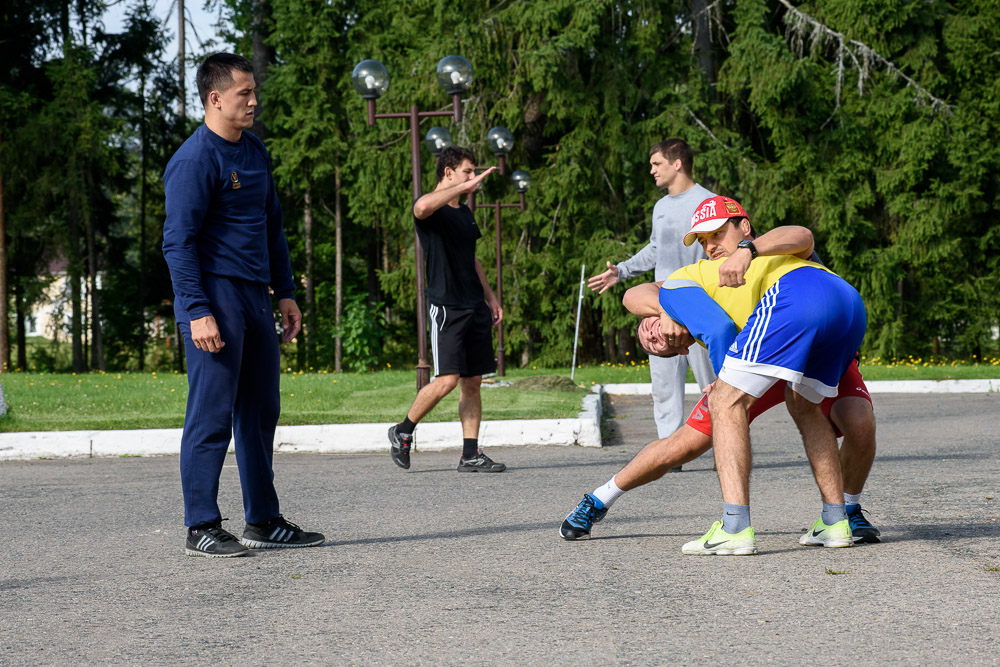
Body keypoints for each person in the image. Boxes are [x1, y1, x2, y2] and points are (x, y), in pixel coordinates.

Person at [605, 197, 868, 554]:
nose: (710, 246)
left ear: (744, 227)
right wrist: (668, 311)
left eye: (717, 234)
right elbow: (636, 295)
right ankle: (836, 522)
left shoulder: (758, 251)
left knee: (725, 401)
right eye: (702, 241)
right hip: (847, 305)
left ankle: (734, 528)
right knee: (804, 407)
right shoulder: (700, 277)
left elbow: (802, 233)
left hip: (797, 297)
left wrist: (747, 250)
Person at [163, 53, 324, 558]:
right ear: (215, 99)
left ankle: (263, 520)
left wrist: (287, 290)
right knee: (211, 414)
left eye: (255, 92)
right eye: (244, 94)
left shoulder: (254, 151)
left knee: (260, 412)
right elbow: (178, 243)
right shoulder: (194, 160)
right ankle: (201, 526)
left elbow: (271, 225)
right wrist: (196, 310)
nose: (254, 101)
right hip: (215, 297)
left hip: (256, 295)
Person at [587, 139, 716, 456]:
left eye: (657, 164)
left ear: (677, 164)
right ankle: (670, 452)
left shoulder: (708, 202)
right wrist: (623, 270)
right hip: (661, 309)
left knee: (713, 385)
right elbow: (656, 249)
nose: (651, 170)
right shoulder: (661, 207)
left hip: (701, 306)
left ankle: (722, 444)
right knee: (662, 386)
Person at [386, 146, 506, 473]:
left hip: (474, 305)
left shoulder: (465, 213)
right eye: (467, 171)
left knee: (472, 382)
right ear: (448, 172)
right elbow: (421, 206)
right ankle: (402, 430)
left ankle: (470, 454)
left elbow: (473, 258)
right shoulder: (432, 208)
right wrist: (463, 188)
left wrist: (491, 298)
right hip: (447, 307)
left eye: (473, 173)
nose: (473, 178)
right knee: (447, 380)